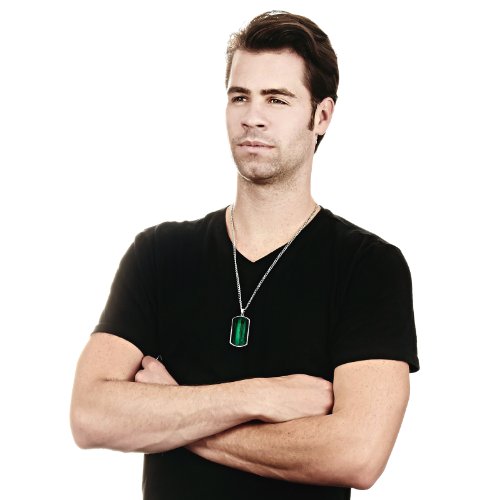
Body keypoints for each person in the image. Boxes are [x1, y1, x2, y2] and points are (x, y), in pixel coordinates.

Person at [70, 10, 419, 500]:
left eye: (277, 99)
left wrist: (174, 415)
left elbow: (356, 455)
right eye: (240, 97)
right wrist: (260, 396)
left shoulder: (369, 267)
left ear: (321, 116)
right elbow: (90, 415)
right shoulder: (160, 254)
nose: (253, 116)